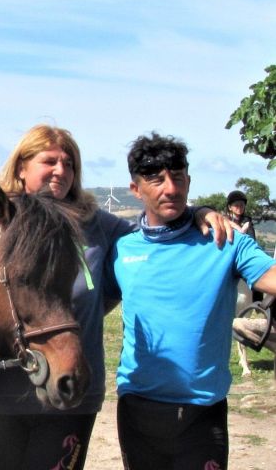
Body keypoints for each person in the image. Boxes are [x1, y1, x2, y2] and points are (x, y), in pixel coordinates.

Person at [0, 124, 231, 470]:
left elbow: (156, 232)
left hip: (72, 394)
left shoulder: (97, 225)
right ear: (21, 167)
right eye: (49, 161)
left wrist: (198, 212)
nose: (61, 171)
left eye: (70, 164)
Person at [106, 133, 276, 470]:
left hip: (203, 413)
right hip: (138, 409)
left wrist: (204, 212)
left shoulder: (225, 241)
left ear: (188, 180)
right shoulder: (123, 250)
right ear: (135, 189)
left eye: (178, 176)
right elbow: (87, 306)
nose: (170, 188)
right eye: (155, 179)